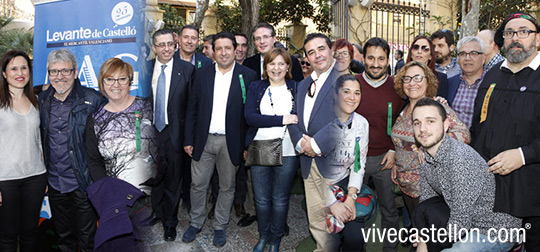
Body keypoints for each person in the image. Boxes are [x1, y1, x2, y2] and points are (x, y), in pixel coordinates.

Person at [411, 98, 521, 252]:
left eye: (430, 121)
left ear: (446, 125)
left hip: (493, 230)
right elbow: (428, 203)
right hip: (465, 219)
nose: (422, 129)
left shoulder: (460, 159)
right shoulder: (427, 157)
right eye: (417, 123)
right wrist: (423, 236)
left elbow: (460, 221)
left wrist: (428, 244)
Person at [470, 12, 540, 251]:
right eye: (509, 33)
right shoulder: (492, 74)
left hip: (531, 194)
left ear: (537, 39)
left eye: (524, 32)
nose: (516, 38)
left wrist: (522, 155)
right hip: (491, 189)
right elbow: (478, 125)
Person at [182, 32, 257, 247]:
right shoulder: (202, 74)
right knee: (198, 185)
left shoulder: (248, 76)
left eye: (228, 48)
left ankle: (220, 226)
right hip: (202, 140)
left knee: (227, 186)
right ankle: (196, 222)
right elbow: (192, 108)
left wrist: (245, 145)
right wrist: (188, 139)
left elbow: (250, 115)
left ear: (236, 50)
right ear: (213, 52)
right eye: (219, 48)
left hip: (231, 142)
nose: (223, 52)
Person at [39, 48, 106, 252]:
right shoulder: (42, 100)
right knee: (64, 237)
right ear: (48, 74)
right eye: (54, 72)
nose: (59, 77)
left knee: (87, 238)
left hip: (83, 183)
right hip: (55, 184)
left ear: (75, 73)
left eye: (65, 71)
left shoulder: (93, 100)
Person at [391, 61, 469, 218]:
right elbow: (402, 143)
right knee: (418, 232)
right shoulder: (403, 109)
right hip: (407, 189)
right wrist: (396, 161)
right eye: (407, 78)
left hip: (429, 190)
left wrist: (431, 146)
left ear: (428, 81)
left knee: (430, 236)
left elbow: (464, 135)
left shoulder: (437, 107)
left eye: (418, 78)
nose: (412, 83)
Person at [287, 33, 340, 251]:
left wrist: (314, 145)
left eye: (321, 49)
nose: (317, 55)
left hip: (333, 162)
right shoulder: (303, 84)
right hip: (309, 162)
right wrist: (300, 142)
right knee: (316, 217)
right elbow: (293, 116)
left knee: (335, 220)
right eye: (311, 52)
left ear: (331, 50)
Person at [245, 48, 299, 252]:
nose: (276, 68)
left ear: (287, 67)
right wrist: (282, 119)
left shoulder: (296, 87)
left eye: (281, 63)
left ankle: (275, 240)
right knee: (261, 199)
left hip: (288, 150)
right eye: (271, 63)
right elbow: (250, 117)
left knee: (280, 198)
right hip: (260, 146)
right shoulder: (256, 87)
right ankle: (263, 236)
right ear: (265, 67)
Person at [355, 37, 405, 252]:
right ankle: (357, 246)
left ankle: (390, 249)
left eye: (381, 59)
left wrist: (395, 149)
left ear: (388, 60)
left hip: (385, 159)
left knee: (389, 210)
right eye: (371, 58)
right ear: (363, 58)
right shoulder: (352, 84)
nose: (376, 64)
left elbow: (407, 121)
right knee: (354, 209)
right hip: (355, 160)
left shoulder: (398, 87)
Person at [149, 29, 196, 242]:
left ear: (175, 45)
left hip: (175, 133)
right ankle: (157, 212)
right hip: (151, 134)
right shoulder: (145, 69)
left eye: (170, 44)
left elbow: (192, 108)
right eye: (161, 45)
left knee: (173, 179)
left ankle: (170, 222)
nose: (166, 48)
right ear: (154, 48)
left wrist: (188, 138)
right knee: (154, 177)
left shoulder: (187, 70)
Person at [86, 57, 157, 194]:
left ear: (129, 82)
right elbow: (94, 162)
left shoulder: (148, 108)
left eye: (122, 79)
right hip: (116, 197)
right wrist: (109, 190)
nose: (116, 84)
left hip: (153, 196)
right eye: (110, 79)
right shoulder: (96, 120)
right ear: (102, 83)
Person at [0, 50, 47, 252]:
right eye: (13, 68)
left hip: (36, 177)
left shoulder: (37, 100)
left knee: (30, 234)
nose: (20, 73)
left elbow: (39, 140)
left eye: (24, 67)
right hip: (6, 180)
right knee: (8, 236)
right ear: (4, 73)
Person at [322, 74, 369, 251]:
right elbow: (312, 171)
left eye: (357, 93)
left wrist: (351, 198)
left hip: (345, 183)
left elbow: (358, 164)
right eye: (346, 91)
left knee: (355, 239)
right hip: (320, 186)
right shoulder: (321, 122)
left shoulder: (362, 124)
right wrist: (332, 204)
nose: (352, 97)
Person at [438, 36, 486, 128]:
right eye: (463, 53)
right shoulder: (451, 82)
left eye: (474, 53)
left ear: (483, 58)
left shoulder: (492, 83)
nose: (467, 58)